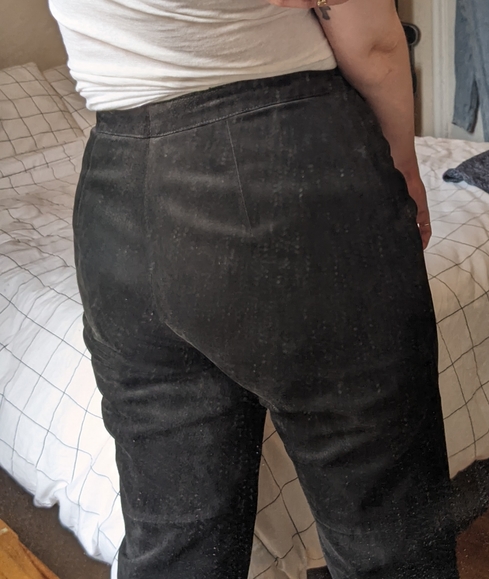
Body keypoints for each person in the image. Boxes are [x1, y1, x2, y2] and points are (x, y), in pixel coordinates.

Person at [48, 0, 459, 577]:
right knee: (388, 535)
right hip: (286, 157)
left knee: (174, 548)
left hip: (117, 198)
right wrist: (403, 168)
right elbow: (371, 42)